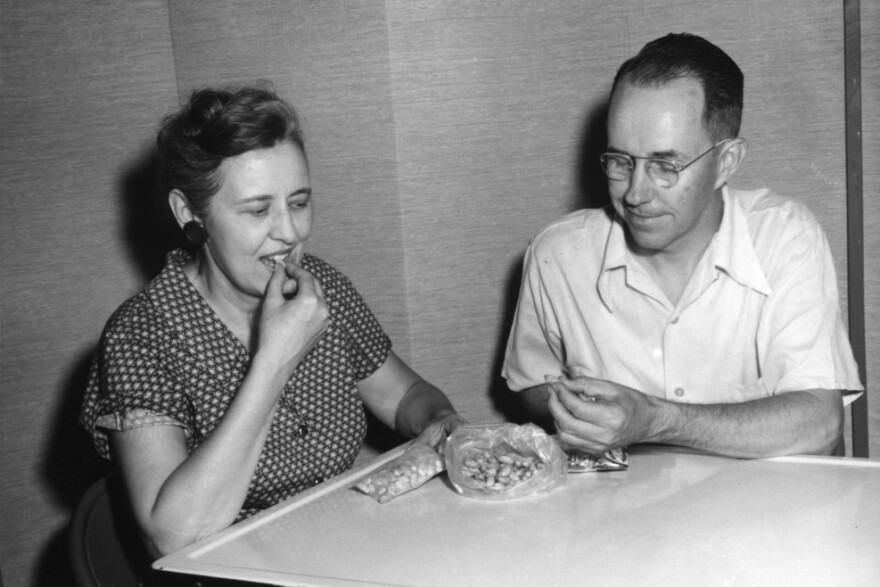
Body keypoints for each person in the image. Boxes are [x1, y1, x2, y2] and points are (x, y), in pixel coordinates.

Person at [80, 84, 465, 558]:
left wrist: (442, 421)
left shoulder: (321, 287)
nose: (289, 233)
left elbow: (407, 397)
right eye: (259, 210)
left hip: (343, 549)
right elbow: (173, 533)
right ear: (189, 213)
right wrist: (276, 358)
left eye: (299, 203)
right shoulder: (142, 336)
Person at [502, 33, 862, 459]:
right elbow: (531, 383)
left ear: (726, 162)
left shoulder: (784, 237)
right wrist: (576, 407)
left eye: (665, 165)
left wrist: (655, 420)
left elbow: (820, 424)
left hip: (760, 512)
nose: (635, 193)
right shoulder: (556, 253)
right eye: (621, 161)